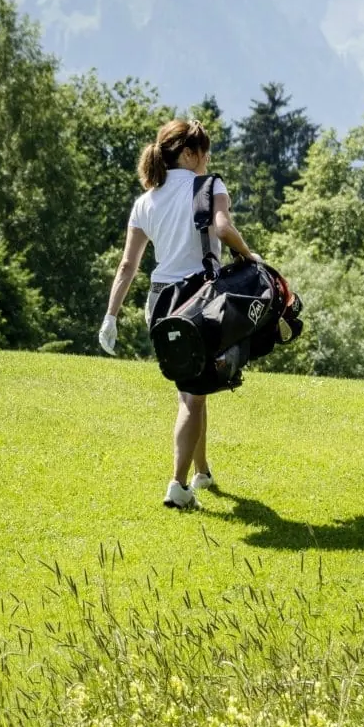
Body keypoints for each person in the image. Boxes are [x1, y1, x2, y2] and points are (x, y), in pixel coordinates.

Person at [98, 117, 258, 510]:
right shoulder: (209, 186)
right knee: (192, 397)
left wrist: (111, 316)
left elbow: (127, 265)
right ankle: (178, 487)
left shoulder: (146, 200)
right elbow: (222, 228)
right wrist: (249, 255)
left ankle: (202, 472)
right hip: (200, 301)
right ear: (189, 153)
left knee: (194, 389)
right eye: (204, 153)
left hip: (159, 303)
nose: (207, 161)